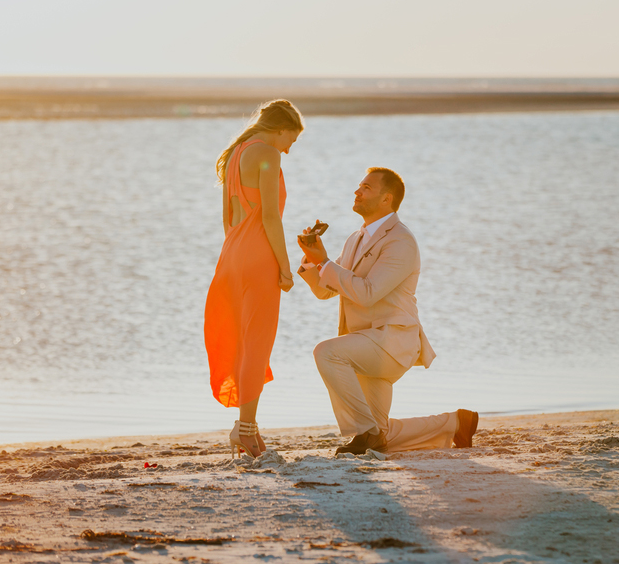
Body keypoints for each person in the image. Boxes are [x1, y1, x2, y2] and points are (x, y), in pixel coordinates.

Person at [297, 167, 478, 454]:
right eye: (359, 185)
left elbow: (367, 293)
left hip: (391, 342)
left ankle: (364, 433)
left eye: (366, 187)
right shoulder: (355, 238)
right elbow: (326, 290)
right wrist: (313, 259)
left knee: (327, 352)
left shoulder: (401, 240)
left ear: (386, 199)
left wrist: (326, 263)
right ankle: (456, 423)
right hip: (365, 344)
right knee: (381, 435)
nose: (357, 191)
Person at [204, 99, 303, 458]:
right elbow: (271, 219)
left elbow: (229, 217)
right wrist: (285, 266)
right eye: (291, 139)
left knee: (244, 340)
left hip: (232, 254)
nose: (289, 149)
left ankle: (249, 428)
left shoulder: (234, 155)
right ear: (280, 129)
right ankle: (244, 430)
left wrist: (238, 253)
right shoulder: (266, 153)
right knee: (257, 343)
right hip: (258, 256)